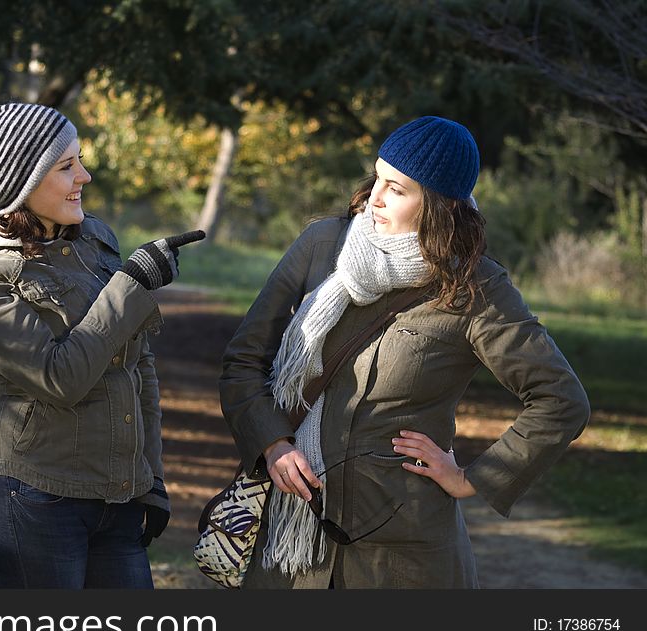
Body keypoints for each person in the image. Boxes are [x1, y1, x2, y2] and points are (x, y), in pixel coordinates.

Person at [218, 115, 590, 588]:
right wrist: (272, 443)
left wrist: (474, 476)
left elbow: (561, 400)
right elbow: (244, 361)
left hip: (404, 557)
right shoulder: (322, 245)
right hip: (293, 552)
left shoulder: (475, 289)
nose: (374, 197)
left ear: (438, 206)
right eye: (378, 178)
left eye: (396, 188)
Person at [0, 102, 205, 588]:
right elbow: (58, 378)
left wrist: (151, 478)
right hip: (34, 500)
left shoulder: (95, 240)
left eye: (79, 159)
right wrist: (130, 286)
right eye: (66, 167)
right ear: (18, 184)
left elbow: (138, 365)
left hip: (119, 499)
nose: (84, 175)